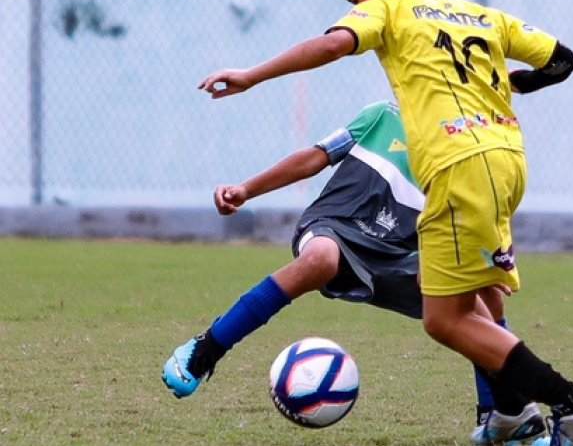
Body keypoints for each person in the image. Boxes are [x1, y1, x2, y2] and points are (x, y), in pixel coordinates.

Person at [196, 0, 573, 445]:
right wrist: (515, 83)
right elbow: (562, 62)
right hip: (508, 161)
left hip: (459, 168)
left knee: (444, 320)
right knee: (476, 303)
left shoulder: (389, 7)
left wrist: (252, 76)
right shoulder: (481, 15)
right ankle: (513, 414)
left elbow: (333, 44)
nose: (354, 7)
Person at [161, 100, 515, 430]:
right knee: (321, 259)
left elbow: (474, 221)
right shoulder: (383, 115)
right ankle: (207, 348)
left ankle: (499, 416)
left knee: (478, 306)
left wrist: (483, 263)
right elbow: (314, 158)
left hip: (399, 257)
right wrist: (246, 190)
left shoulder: (469, 156)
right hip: (336, 226)